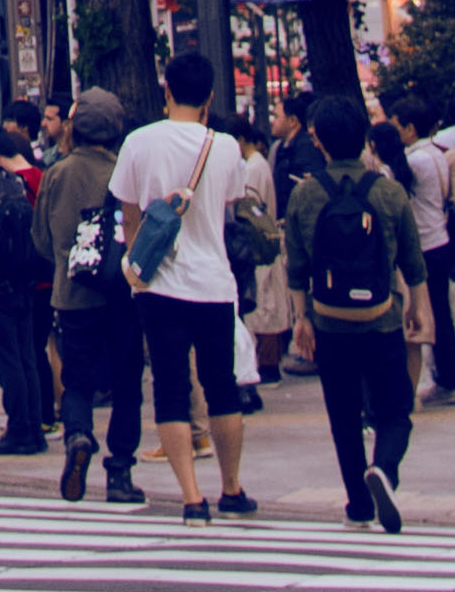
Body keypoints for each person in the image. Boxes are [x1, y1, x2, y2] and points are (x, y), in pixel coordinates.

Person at [110, 52, 264, 520]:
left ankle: (192, 497)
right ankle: (232, 487)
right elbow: (229, 207)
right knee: (221, 385)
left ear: (167, 91)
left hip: (158, 287)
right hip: (213, 283)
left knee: (171, 386)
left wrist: (140, 266)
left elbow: (130, 215)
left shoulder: (139, 142)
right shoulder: (225, 148)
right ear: (210, 97)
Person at [285, 95, 419, 531]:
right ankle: (385, 468)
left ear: (318, 140)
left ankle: (358, 505)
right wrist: (420, 311)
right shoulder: (389, 191)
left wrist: (301, 319)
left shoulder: (305, 194)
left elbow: (297, 266)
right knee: (395, 408)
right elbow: (413, 264)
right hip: (382, 316)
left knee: (343, 414)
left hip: (328, 318)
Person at [42, 95, 142, 506]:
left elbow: (42, 239)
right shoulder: (127, 171)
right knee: (126, 381)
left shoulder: (57, 173)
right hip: (122, 291)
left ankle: (78, 434)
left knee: (77, 378)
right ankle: (120, 471)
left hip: (73, 293)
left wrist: (67, 259)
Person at [0, 119, 54, 459]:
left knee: (8, 359)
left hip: (1, 282)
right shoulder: (33, 181)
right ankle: (35, 426)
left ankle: (19, 429)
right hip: (31, 278)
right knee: (29, 357)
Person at [409, 95, 455, 399]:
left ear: (409, 128)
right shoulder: (436, 153)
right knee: (441, 310)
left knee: (434, 312)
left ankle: (447, 380)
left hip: (426, 241)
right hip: (440, 237)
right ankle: (447, 377)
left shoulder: (415, 160)